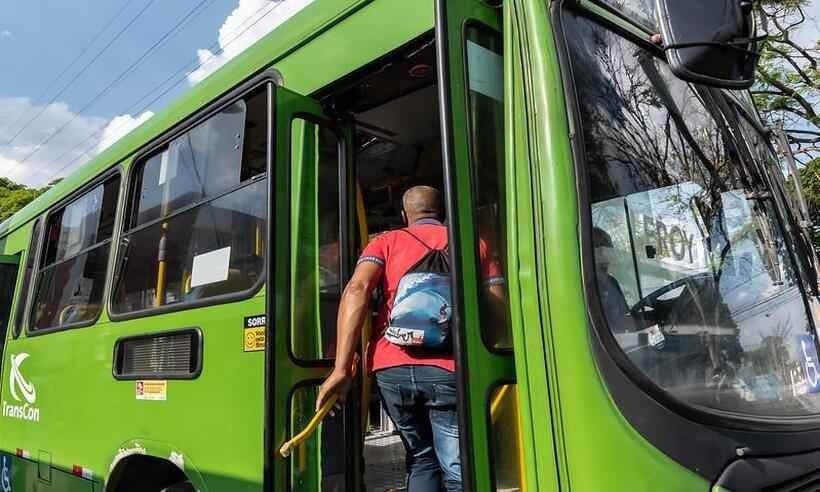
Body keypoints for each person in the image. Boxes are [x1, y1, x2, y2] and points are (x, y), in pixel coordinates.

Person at [316, 185, 503, 492]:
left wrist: (340, 368)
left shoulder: (385, 242)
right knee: (457, 468)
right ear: (441, 211)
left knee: (420, 457)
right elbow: (497, 304)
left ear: (405, 215)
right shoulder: (474, 243)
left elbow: (356, 290)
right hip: (448, 368)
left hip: (391, 369)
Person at [592, 226, 632, 333]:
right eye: (598, 249)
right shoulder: (582, 286)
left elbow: (624, 320)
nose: (605, 254)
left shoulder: (612, 283)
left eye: (608, 248)